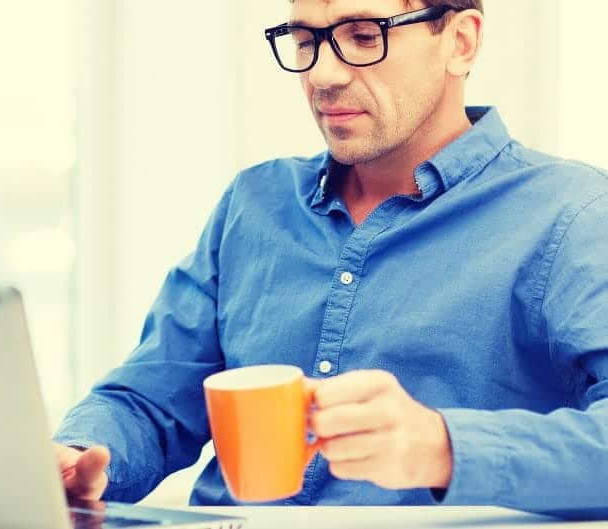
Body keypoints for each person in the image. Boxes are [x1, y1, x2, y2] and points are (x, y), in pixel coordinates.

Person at [53, 0, 608, 518]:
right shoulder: (255, 203)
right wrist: (76, 459)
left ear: (459, 42)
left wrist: (444, 448)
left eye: (364, 36)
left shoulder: (572, 214)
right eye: (304, 41)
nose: (322, 75)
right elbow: (153, 400)